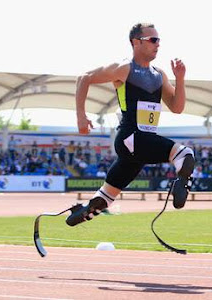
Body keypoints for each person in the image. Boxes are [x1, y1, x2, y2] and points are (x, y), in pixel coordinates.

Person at [66, 23, 195, 226]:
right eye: (153, 40)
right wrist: (81, 116)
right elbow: (84, 78)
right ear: (136, 42)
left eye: (159, 40)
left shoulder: (159, 74)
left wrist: (180, 79)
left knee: (107, 196)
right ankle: (183, 185)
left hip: (140, 144)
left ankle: (80, 214)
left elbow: (177, 107)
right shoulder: (124, 68)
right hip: (131, 137)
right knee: (185, 155)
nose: (158, 44)